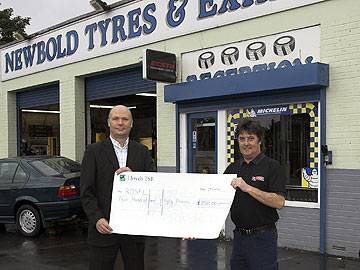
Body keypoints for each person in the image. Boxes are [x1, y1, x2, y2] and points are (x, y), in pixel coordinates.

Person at [80, 105, 156, 270]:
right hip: (104, 228)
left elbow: (153, 185)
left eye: (125, 119)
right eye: (115, 118)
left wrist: (134, 178)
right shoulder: (93, 151)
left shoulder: (142, 152)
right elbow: (86, 191)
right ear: (109, 123)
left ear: (131, 123)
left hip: (133, 229)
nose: (120, 123)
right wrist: (97, 219)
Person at [224, 119, 286, 270]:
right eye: (242, 139)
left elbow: (279, 202)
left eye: (251, 138)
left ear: (259, 141)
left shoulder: (272, 167)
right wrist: (196, 229)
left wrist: (248, 188)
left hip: (263, 238)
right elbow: (217, 201)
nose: (246, 143)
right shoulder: (232, 168)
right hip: (239, 238)